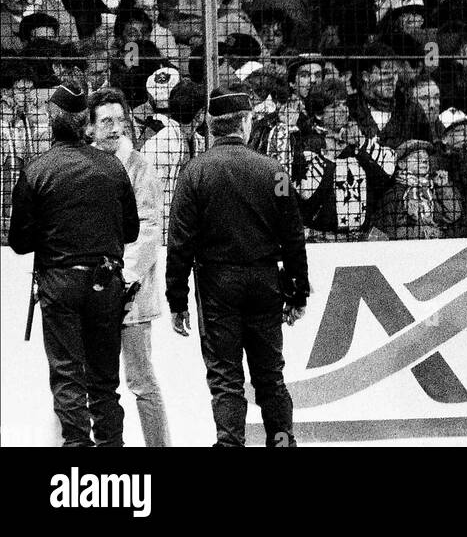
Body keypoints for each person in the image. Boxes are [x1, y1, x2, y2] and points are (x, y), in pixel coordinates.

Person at [165, 89, 309, 448]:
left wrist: (177, 300)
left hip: (217, 283)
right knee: (270, 377)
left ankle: (229, 444)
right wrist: (297, 291)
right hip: (265, 280)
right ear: (246, 122)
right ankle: (281, 440)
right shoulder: (274, 171)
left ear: (211, 125)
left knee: (226, 378)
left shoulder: (195, 172)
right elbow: (293, 237)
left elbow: (179, 242)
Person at [8, 83, 139, 448]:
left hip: (60, 282)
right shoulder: (113, 167)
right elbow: (130, 230)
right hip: (106, 280)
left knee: (67, 375)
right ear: (86, 122)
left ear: (52, 119)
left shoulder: (37, 170)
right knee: (104, 380)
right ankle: (112, 447)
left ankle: (77, 449)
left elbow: (19, 242)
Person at [88, 87, 171, 447]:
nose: (115, 128)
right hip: (92, 291)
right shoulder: (84, 163)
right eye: (106, 120)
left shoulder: (140, 166)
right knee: (94, 380)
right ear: (90, 126)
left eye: (120, 120)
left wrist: (124, 278)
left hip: (130, 295)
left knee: (141, 380)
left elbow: (151, 228)